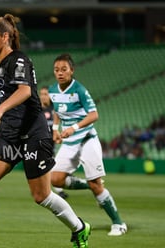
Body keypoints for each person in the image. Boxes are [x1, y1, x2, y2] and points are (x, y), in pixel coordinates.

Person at [0, 14, 91, 248]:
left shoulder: (20, 60)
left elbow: (24, 92)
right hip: (9, 135)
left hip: (34, 134)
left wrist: (0, 111)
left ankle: (80, 229)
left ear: (4, 37)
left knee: (42, 196)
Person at [48, 53, 127, 236]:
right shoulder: (53, 90)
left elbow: (94, 115)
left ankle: (118, 223)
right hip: (69, 142)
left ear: (72, 71)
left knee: (96, 185)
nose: (60, 73)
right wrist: (55, 130)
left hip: (87, 140)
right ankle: (89, 185)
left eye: (64, 69)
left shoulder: (80, 90)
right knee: (55, 179)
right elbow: (57, 112)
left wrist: (74, 128)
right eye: (56, 70)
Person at [39, 86, 69, 200]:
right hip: (41, 141)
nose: (43, 96)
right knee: (47, 164)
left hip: (53, 141)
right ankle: (57, 190)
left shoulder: (54, 109)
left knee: (51, 164)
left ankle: (56, 187)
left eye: (46, 94)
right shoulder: (36, 109)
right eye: (41, 94)